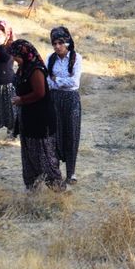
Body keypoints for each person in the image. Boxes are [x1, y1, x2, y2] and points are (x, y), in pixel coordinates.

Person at [9, 39, 64, 191]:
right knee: (29, 154)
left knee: (44, 155)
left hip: (41, 118)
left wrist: (22, 99)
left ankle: (57, 188)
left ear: (24, 54)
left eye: (16, 56)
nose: (14, 59)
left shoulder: (35, 70)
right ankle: (33, 186)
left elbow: (40, 93)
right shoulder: (23, 67)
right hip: (27, 117)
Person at [47, 26, 82, 185]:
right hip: (54, 99)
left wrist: (57, 80)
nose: (57, 46)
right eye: (54, 43)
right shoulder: (50, 58)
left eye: (60, 43)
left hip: (71, 100)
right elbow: (48, 80)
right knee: (54, 133)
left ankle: (71, 173)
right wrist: (56, 81)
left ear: (67, 42)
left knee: (71, 133)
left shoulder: (76, 58)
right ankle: (55, 172)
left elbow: (74, 82)